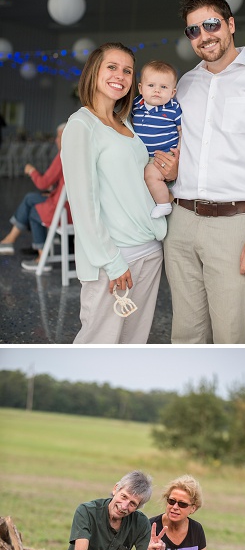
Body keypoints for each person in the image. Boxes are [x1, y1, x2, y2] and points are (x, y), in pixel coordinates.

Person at [152, 0, 245, 344]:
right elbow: (176, 144)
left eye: (210, 24)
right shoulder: (185, 84)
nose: (203, 36)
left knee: (233, 335)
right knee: (184, 333)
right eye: (193, 30)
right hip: (180, 223)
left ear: (230, 24)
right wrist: (168, 170)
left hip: (236, 226)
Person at [62, 43, 168, 344]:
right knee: (98, 343)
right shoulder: (81, 125)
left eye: (127, 70)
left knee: (134, 343)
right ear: (94, 71)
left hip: (149, 248)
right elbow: (83, 204)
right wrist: (112, 262)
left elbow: (138, 180)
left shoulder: (127, 124)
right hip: (116, 256)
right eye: (112, 67)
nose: (119, 75)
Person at [0, 123, 69, 267]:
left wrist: (31, 171)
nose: (56, 140)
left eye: (59, 136)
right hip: (73, 208)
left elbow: (43, 183)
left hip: (63, 211)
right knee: (30, 198)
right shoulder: (79, 155)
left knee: (33, 210)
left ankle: (41, 259)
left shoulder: (64, 154)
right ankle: (9, 240)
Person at [131, 60, 181, 219]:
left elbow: (183, 132)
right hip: (142, 156)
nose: (157, 91)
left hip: (163, 156)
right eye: (151, 85)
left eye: (163, 87)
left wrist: (178, 152)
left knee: (151, 176)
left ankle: (164, 204)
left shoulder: (173, 108)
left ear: (172, 92)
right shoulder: (136, 105)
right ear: (141, 88)